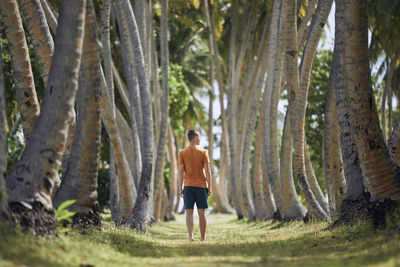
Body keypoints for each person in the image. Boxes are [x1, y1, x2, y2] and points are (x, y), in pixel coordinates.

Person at [178, 129, 212, 242]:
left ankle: (190, 236)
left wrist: (180, 188)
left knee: (189, 212)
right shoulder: (204, 152)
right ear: (195, 138)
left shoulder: (182, 153)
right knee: (202, 213)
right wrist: (209, 187)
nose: (200, 139)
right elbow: (208, 171)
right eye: (199, 137)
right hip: (201, 186)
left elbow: (180, 172)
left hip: (188, 186)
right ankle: (202, 238)